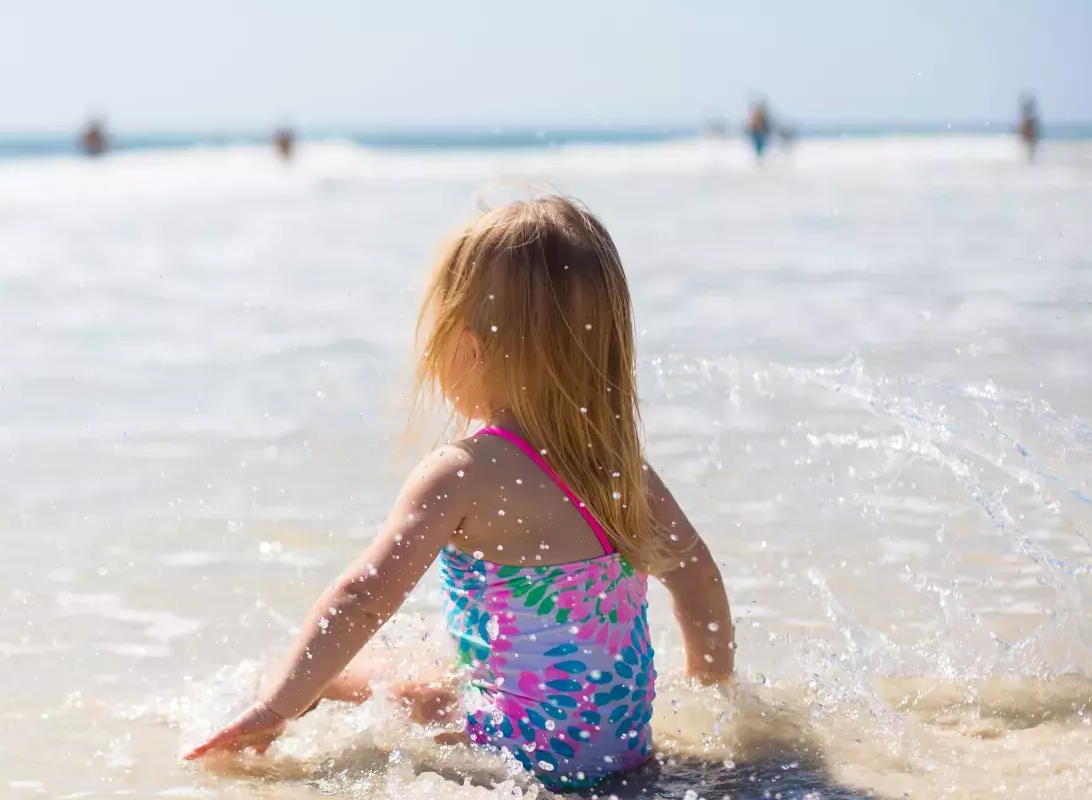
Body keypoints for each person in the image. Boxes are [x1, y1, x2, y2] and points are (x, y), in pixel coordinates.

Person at [184, 196, 736, 792]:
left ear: (467, 347)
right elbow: (697, 578)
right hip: (623, 757)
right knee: (434, 672)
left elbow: (362, 597)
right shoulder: (624, 472)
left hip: (517, 760)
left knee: (332, 681)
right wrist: (713, 699)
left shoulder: (463, 472)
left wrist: (279, 706)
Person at [1018, 93, 1041, 162]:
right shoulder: (1027, 118)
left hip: (1029, 128)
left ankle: (1030, 158)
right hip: (1028, 128)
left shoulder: (1029, 118)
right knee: (1030, 146)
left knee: (1031, 146)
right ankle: (1030, 158)